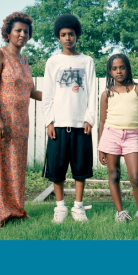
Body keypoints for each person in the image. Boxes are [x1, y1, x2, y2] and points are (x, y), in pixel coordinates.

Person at [0, 12, 42, 227]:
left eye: (26, 31)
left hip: (20, 122)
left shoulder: (24, 61)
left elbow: (30, 91)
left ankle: (15, 209)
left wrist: (60, 95)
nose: (22, 34)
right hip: (1, 120)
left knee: (16, 166)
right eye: (18, 30)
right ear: (8, 32)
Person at [41, 14, 97, 223]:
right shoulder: (53, 61)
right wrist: (49, 121)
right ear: (58, 37)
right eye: (63, 35)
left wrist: (89, 119)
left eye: (71, 34)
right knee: (57, 169)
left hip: (80, 124)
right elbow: (47, 96)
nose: (67, 38)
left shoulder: (87, 61)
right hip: (59, 123)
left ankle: (78, 207)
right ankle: (60, 207)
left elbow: (92, 92)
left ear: (77, 35)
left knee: (80, 169)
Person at [97, 53, 138, 224]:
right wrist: (101, 147)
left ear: (128, 69)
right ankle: (120, 212)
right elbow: (101, 122)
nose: (119, 71)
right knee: (113, 174)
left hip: (131, 136)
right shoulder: (106, 94)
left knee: (135, 176)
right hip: (110, 135)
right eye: (114, 68)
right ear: (109, 72)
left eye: (122, 67)